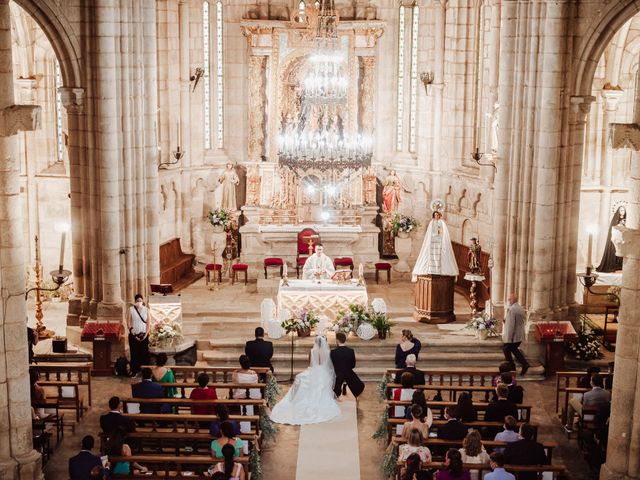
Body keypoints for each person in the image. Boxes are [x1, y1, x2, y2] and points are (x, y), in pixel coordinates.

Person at [270, 335, 341, 425]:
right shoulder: (328, 351)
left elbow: (310, 363)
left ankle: (296, 399)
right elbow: (328, 364)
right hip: (324, 372)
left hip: (313, 370)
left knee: (300, 378)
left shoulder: (312, 351)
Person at [412, 210, 459, 281]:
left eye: (437, 215)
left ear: (439, 215)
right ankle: (431, 270)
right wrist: (434, 235)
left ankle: (439, 270)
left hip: (440, 241)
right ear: (433, 216)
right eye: (435, 215)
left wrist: (440, 233)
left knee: (439, 255)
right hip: (433, 241)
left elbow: (444, 232)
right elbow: (430, 232)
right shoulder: (431, 222)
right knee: (432, 255)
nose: (436, 216)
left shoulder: (442, 222)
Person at [501, 293, 529, 375]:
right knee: (512, 349)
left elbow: (511, 326)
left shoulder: (512, 309)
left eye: (510, 299)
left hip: (514, 336)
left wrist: (508, 338)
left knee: (506, 348)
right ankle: (522, 364)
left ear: (513, 300)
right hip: (519, 334)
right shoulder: (520, 308)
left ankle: (513, 367)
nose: (509, 300)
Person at [330, 332, 365, 398]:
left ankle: (338, 391)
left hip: (338, 374)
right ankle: (345, 384)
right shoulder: (351, 351)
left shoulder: (333, 352)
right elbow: (353, 365)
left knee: (339, 376)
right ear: (344, 340)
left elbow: (332, 365)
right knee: (349, 375)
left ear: (337, 340)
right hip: (348, 373)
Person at [596, 205, 626, 273]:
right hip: (616, 238)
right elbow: (613, 228)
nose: (622, 212)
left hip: (623, 239)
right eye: (621, 210)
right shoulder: (615, 219)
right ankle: (614, 266)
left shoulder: (627, 219)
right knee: (615, 252)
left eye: (623, 210)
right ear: (618, 211)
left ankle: (621, 266)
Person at [127, 293, 150, 376]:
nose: (139, 302)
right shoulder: (131, 309)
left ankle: (144, 371)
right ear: (135, 301)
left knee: (144, 353)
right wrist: (132, 332)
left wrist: (146, 334)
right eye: (137, 301)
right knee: (134, 353)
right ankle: (134, 371)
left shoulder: (146, 309)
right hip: (134, 335)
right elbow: (128, 322)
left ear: (142, 301)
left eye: (140, 300)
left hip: (144, 335)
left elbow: (148, 323)